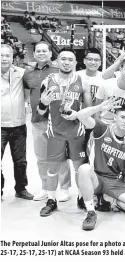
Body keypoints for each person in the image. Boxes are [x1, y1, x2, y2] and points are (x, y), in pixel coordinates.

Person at [37, 48, 92, 217]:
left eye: (70, 60)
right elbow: (40, 112)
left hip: (77, 132)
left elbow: (88, 110)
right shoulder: (47, 82)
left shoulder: (82, 82)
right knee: (52, 169)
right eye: (63, 59)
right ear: (57, 61)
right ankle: (51, 200)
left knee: (79, 169)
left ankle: (82, 198)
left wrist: (79, 117)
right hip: (55, 132)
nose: (67, 62)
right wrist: (43, 104)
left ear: (75, 63)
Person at [77, 102, 125, 231]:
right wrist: (98, 108)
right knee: (84, 169)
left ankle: (112, 201)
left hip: (116, 182)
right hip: (97, 178)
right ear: (115, 117)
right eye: (122, 117)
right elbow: (80, 115)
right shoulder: (103, 129)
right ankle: (91, 212)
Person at [23, 41, 72, 201]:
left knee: (61, 156)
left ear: (51, 54)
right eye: (38, 51)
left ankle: (64, 188)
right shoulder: (28, 74)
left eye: (45, 50)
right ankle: (45, 187)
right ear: (34, 53)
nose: (41, 53)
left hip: (57, 121)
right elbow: (26, 94)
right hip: (37, 121)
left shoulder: (58, 71)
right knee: (41, 158)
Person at [1, 44, 33, 200]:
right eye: (1, 55)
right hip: (0, 126)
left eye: (7, 55)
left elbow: (33, 84)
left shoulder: (21, 73)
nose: (4, 58)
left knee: (21, 161)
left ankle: (21, 189)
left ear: (12, 58)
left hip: (19, 125)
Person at [95, 59, 125, 127]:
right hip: (103, 123)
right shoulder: (106, 84)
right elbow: (96, 109)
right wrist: (98, 126)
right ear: (120, 69)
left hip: (121, 127)